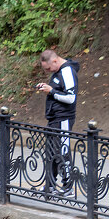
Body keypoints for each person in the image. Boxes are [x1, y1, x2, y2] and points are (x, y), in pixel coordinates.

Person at [35, 49, 79, 195]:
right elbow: (57, 89)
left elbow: (71, 98)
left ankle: (68, 188)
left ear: (54, 61)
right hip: (54, 118)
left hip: (63, 118)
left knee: (62, 151)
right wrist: (48, 88)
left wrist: (51, 92)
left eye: (48, 68)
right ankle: (51, 185)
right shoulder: (58, 72)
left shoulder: (67, 71)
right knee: (51, 152)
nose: (48, 71)